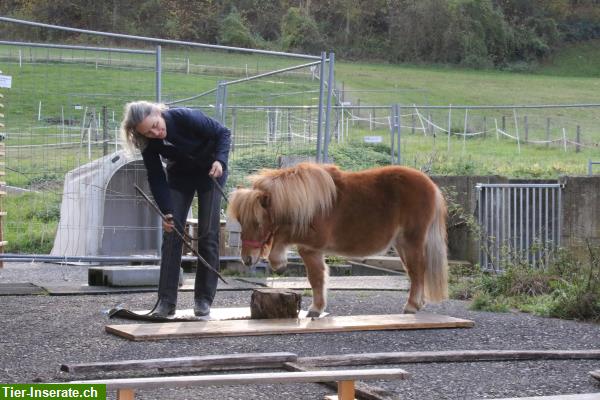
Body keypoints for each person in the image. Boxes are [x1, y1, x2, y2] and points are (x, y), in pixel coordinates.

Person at [120, 101, 231, 317]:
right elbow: (156, 177)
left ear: (158, 112)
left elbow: (223, 133)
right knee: (172, 235)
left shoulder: (185, 117)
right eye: (148, 132)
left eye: (155, 125)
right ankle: (166, 302)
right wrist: (167, 211)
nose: (155, 132)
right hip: (180, 177)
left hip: (211, 172)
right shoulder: (148, 143)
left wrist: (220, 160)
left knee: (208, 235)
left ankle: (203, 300)